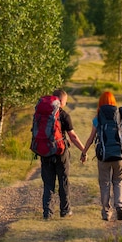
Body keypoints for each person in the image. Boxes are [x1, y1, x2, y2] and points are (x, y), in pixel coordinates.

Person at [81, 91, 122, 221]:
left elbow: (91, 138)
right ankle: (119, 205)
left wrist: (84, 152)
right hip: (119, 155)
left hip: (103, 156)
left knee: (104, 183)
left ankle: (106, 212)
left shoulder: (98, 118)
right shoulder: (120, 116)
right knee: (118, 181)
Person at [40, 88, 86, 220]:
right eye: (65, 101)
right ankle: (65, 211)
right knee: (63, 180)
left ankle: (47, 213)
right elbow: (73, 136)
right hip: (60, 152)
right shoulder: (64, 115)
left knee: (48, 183)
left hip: (45, 152)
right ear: (60, 101)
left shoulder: (42, 113)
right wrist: (84, 150)